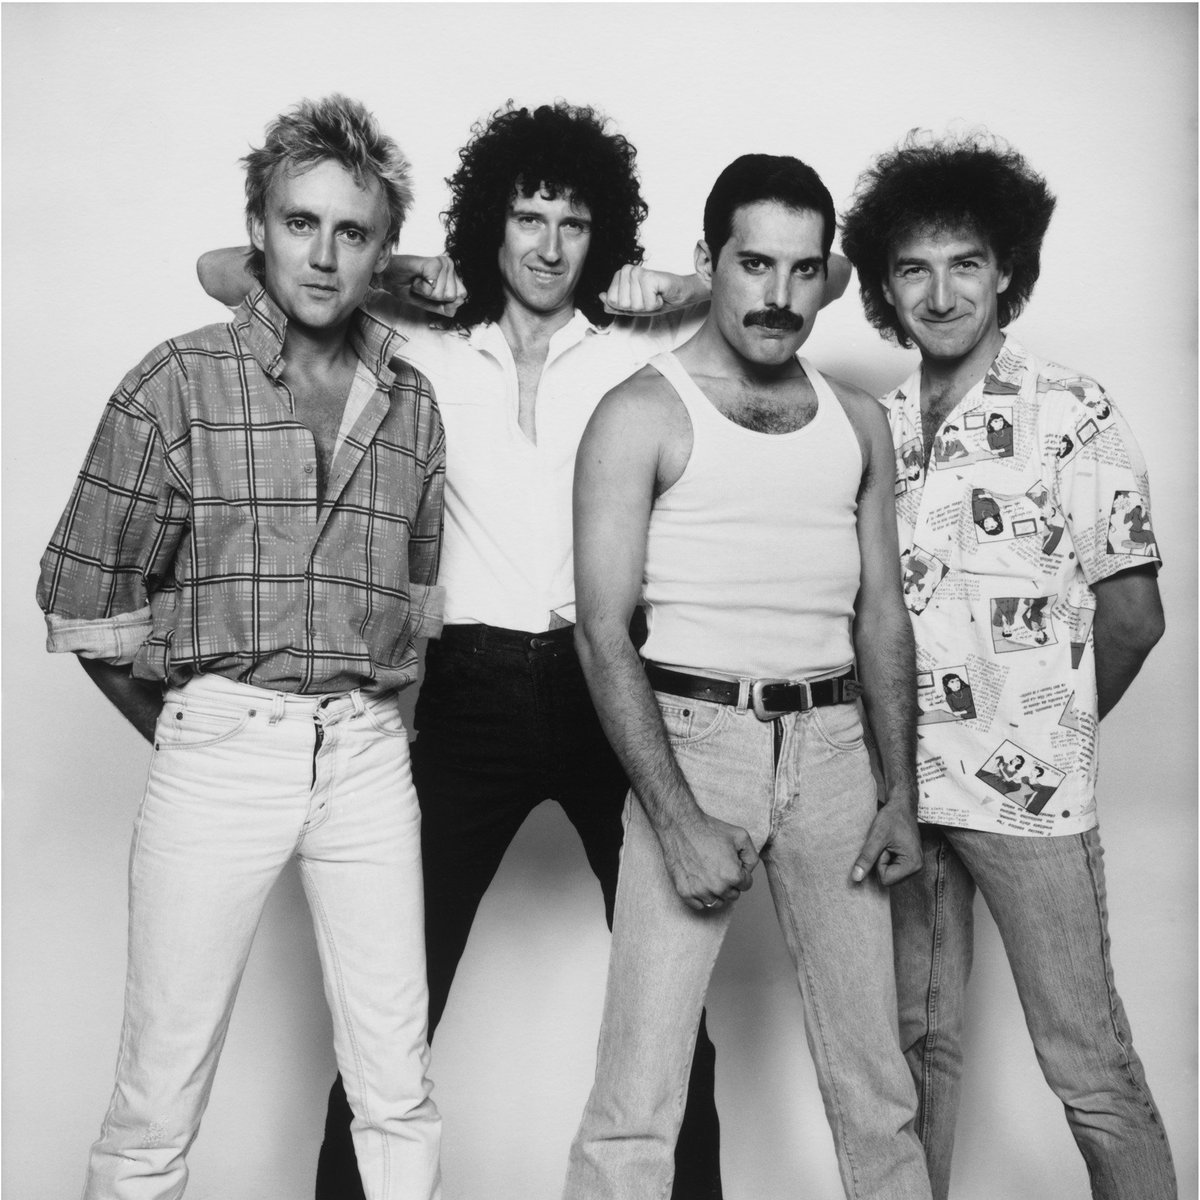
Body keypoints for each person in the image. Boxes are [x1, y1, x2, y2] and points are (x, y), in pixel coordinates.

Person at [200, 101, 845, 1200]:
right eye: (527, 217)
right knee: (393, 1006)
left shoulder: (649, 348)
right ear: (489, 228)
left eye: (574, 223)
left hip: (614, 689)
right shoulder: (418, 344)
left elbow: (816, 284)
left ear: (606, 238)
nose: (548, 246)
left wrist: (686, 287)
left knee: (669, 1011)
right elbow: (227, 270)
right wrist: (407, 270)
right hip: (468, 691)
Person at [38, 96, 445, 1200]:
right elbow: (84, 593)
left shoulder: (411, 401)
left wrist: (369, 727)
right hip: (220, 744)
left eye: (353, 232)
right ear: (257, 228)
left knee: (396, 1090)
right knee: (155, 1102)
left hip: (365, 758)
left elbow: (414, 590)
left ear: (382, 250)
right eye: (299, 222)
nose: (323, 253)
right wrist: (191, 729)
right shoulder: (175, 382)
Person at [562, 153, 932, 1200]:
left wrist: (898, 791)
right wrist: (674, 816)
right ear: (707, 264)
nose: (778, 295)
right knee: (636, 1106)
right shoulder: (641, 412)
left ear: (830, 277)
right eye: (754, 263)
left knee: (878, 1092)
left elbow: (882, 617)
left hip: (837, 755)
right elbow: (600, 632)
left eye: (804, 270)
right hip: (698, 737)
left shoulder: (856, 419)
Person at [841, 130, 1176, 1200]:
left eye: (965, 262)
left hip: (1030, 802)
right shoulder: (879, 427)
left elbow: (1134, 617)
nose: (940, 292)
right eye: (913, 268)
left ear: (1008, 272)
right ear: (888, 288)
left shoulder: (1071, 412)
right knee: (918, 1058)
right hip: (901, 795)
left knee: (1090, 1068)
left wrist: (1052, 734)